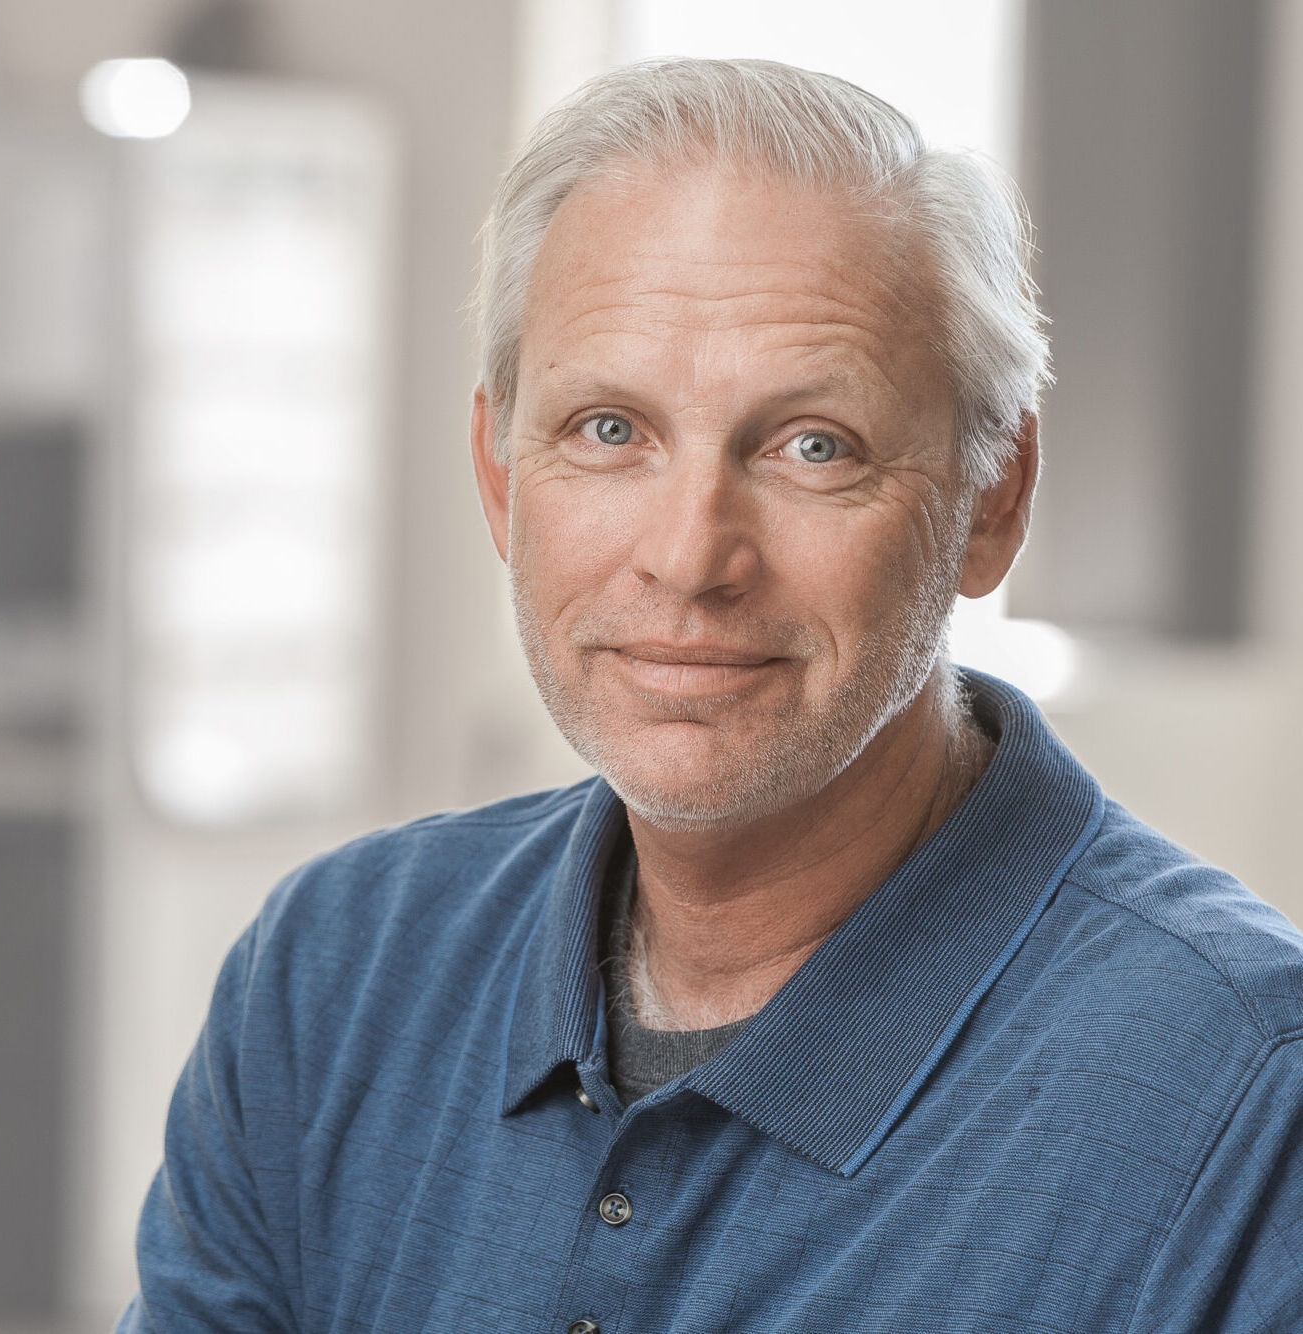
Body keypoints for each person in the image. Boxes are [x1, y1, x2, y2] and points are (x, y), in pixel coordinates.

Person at [120, 58, 1303, 1333]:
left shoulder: (1246, 1099)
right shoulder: (331, 976)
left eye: (811, 445)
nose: (689, 557)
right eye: (608, 430)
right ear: (501, 476)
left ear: (991, 496)